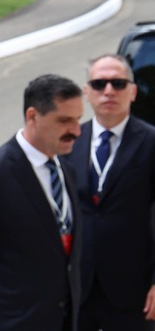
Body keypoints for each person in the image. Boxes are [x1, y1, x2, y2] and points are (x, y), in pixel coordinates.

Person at [63, 54, 155, 331]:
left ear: (132, 91)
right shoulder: (70, 141)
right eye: (99, 83)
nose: (108, 91)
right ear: (87, 92)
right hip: (75, 288)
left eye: (118, 83)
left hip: (133, 290)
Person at [0, 74, 84, 330]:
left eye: (78, 120)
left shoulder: (66, 169)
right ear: (32, 116)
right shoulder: (3, 171)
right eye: (64, 121)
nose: (76, 131)